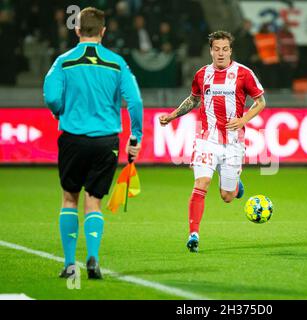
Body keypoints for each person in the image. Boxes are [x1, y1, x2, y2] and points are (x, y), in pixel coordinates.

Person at [43, 7, 143, 279]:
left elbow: (51, 96)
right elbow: (134, 101)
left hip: (73, 138)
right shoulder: (116, 62)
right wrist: (136, 136)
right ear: (103, 31)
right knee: (94, 201)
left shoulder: (63, 61)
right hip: (106, 140)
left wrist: (60, 111)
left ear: (77, 30)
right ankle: (94, 259)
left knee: (69, 198)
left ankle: (68, 264)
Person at [159, 30, 266, 253]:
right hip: (206, 139)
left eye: (224, 49)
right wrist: (172, 116)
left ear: (230, 51)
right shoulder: (201, 74)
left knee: (227, 196)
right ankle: (193, 235)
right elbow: (194, 99)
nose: (220, 53)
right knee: (201, 184)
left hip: (234, 142)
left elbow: (260, 102)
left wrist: (243, 119)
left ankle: (235, 185)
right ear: (210, 51)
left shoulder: (244, 74)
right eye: (216, 49)